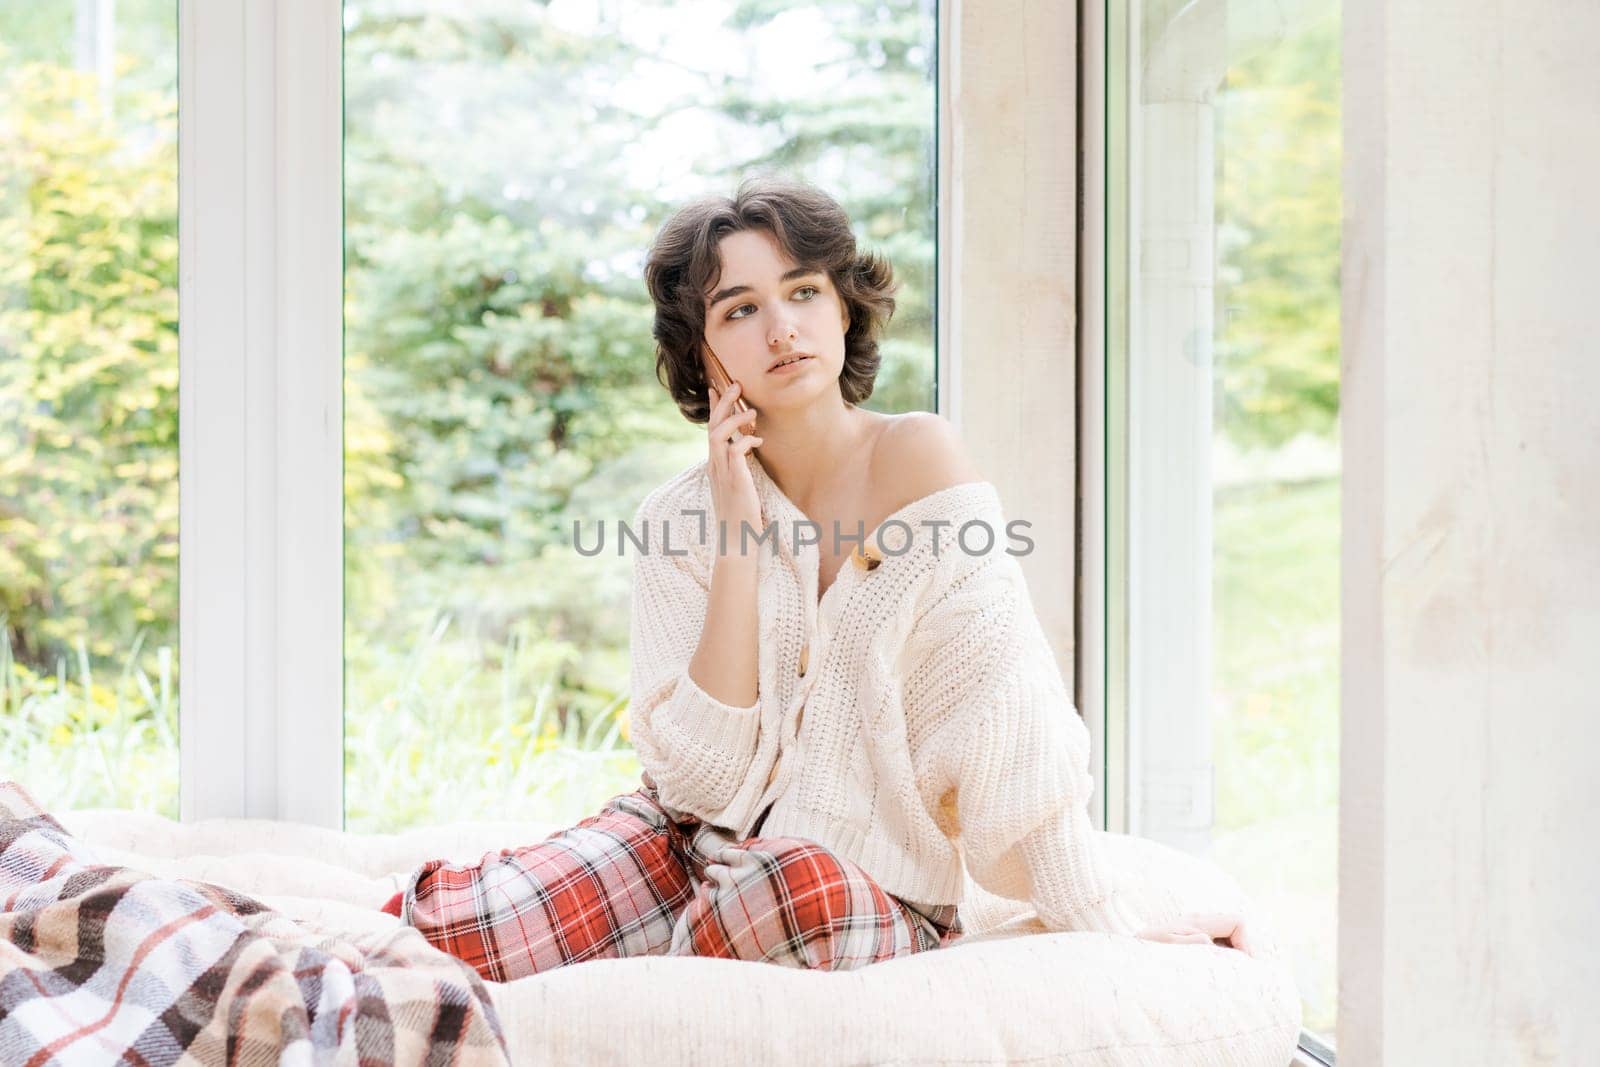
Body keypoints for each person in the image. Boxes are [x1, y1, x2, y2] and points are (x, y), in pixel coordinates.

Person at [382, 176, 1254, 981]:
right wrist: (735, 540)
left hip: (857, 886)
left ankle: (663, 948)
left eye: (802, 292)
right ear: (701, 353)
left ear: (843, 308)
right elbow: (699, 788)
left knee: (780, 886)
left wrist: (1103, 919)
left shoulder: (920, 458)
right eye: (739, 310)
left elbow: (1008, 705)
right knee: (453, 933)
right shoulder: (674, 517)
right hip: (686, 842)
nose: (781, 328)